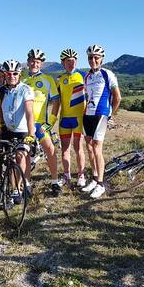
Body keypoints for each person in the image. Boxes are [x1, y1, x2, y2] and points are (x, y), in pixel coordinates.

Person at [81, 45, 122, 198]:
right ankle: (94, 177)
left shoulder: (108, 74)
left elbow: (117, 97)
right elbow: (87, 97)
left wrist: (110, 114)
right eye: (90, 57)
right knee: (89, 147)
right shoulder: (87, 77)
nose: (93, 60)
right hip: (88, 115)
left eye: (96, 57)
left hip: (101, 114)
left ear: (102, 59)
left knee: (97, 147)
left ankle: (101, 184)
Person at [22, 49, 62, 197]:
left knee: (50, 150)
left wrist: (51, 121)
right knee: (25, 152)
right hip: (25, 125)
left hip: (41, 124)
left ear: (41, 64)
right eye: (32, 61)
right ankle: (26, 184)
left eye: (37, 62)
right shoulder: (23, 81)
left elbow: (56, 101)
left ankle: (55, 182)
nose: (34, 64)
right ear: (28, 62)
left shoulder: (47, 79)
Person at [0, 59, 35, 205]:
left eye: (15, 73)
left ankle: (22, 186)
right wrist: (1, 125)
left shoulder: (25, 89)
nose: (11, 76)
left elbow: (29, 112)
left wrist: (31, 134)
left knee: (20, 157)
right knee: (10, 161)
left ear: (19, 74)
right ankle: (18, 187)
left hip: (23, 132)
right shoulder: (2, 90)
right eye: (8, 73)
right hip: (8, 131)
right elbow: (0, 108)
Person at [56, 48, 87, 188]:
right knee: (65, 149)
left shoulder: (84, 76)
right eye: (68, 61)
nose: (71, 63)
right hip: (64, 119)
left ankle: (81, 175)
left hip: (79, 119)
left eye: (73, 60)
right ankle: (66, 175)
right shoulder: (60, 79)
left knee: (78, 147)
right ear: (63, 63)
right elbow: (55, 100)